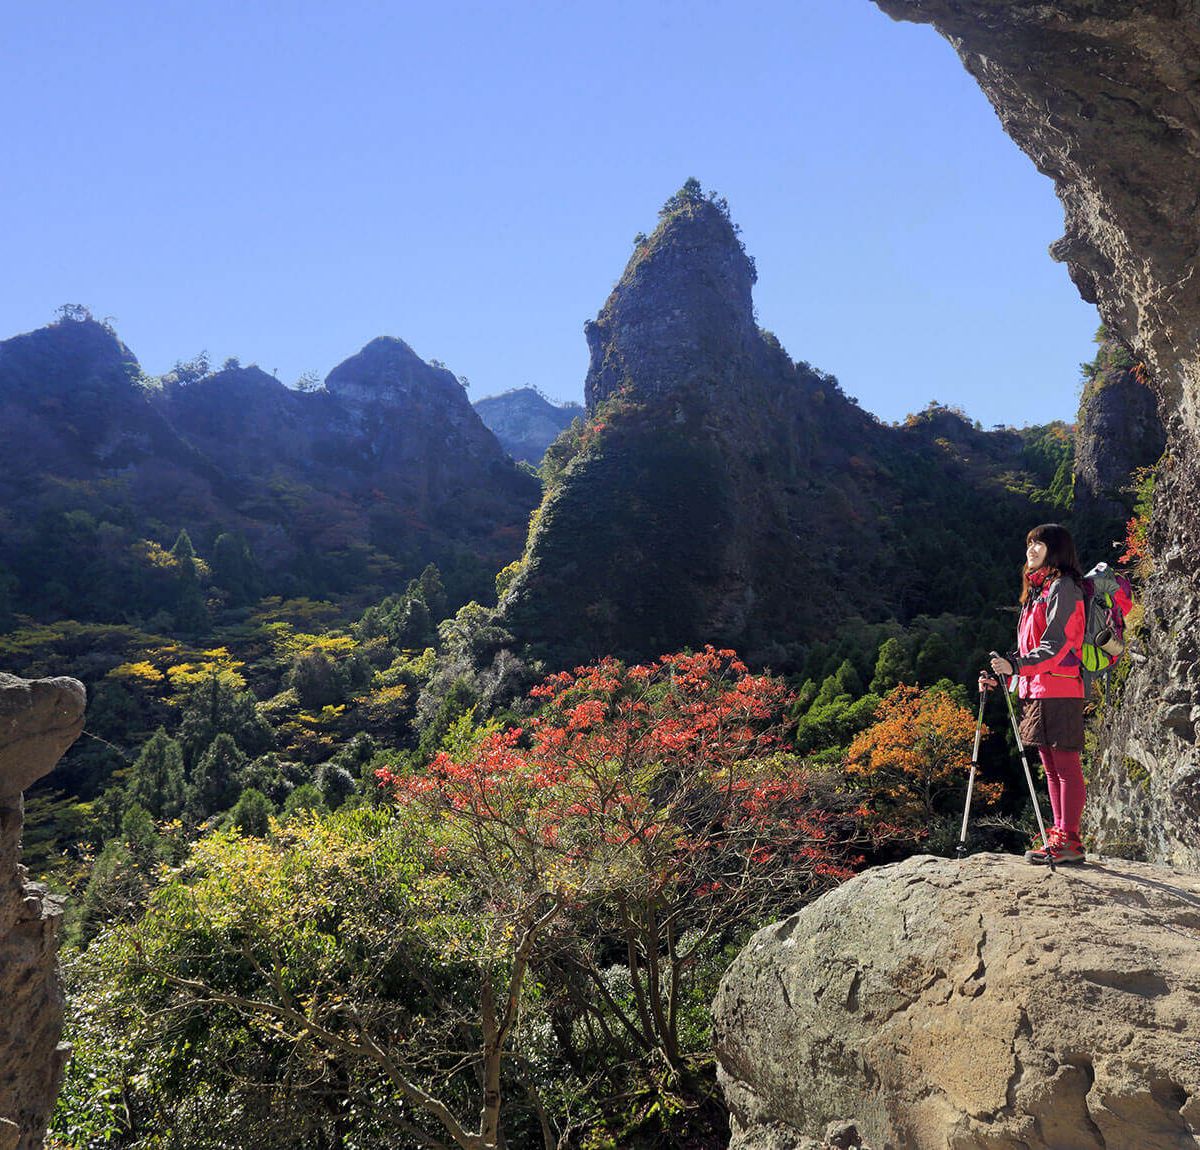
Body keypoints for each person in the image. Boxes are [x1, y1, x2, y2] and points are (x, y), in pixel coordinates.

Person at [980, 523, 1087, 865]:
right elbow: (1029, 650)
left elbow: (1056, 645)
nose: (1031, 549)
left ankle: (1069, 839)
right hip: (1038, 689)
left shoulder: (1063, 587)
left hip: (1059, 688)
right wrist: (1006, 675)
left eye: (1039, 543)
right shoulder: (1037, 592)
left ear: (1056, 549)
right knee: (1051, 766)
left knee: (1066, 765)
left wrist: (1017, 667)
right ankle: (1058, 834)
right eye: (1029, 543)